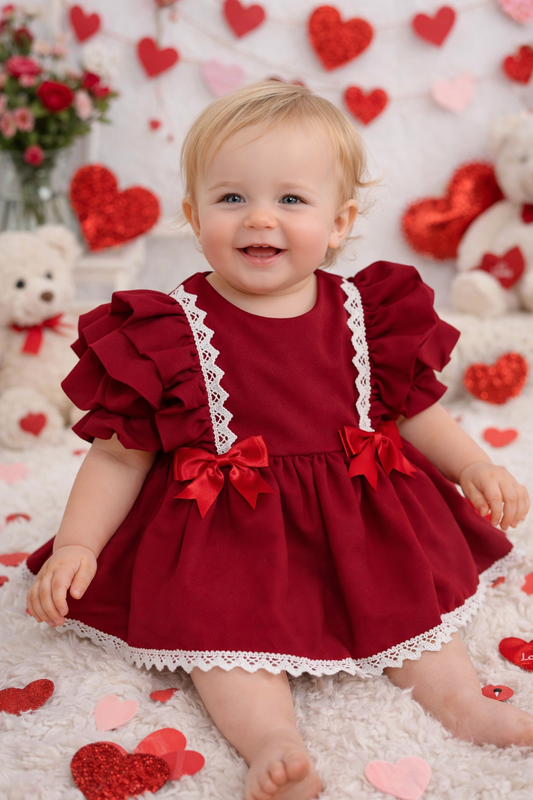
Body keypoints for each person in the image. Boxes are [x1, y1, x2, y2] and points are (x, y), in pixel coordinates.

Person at [25, 81, 531, 800]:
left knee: (410, 609)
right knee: (219, 636)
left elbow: (414, 412)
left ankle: (461, 704)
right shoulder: (170, 330)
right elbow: (119, 451)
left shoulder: (366, 313)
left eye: (290, 200)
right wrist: (78, 543)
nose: (259, 216)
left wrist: (474, 465)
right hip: (228, 533)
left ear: (338, 221)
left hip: (359, 520)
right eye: (231, 199)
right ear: (194, 217)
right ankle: (272, 743)